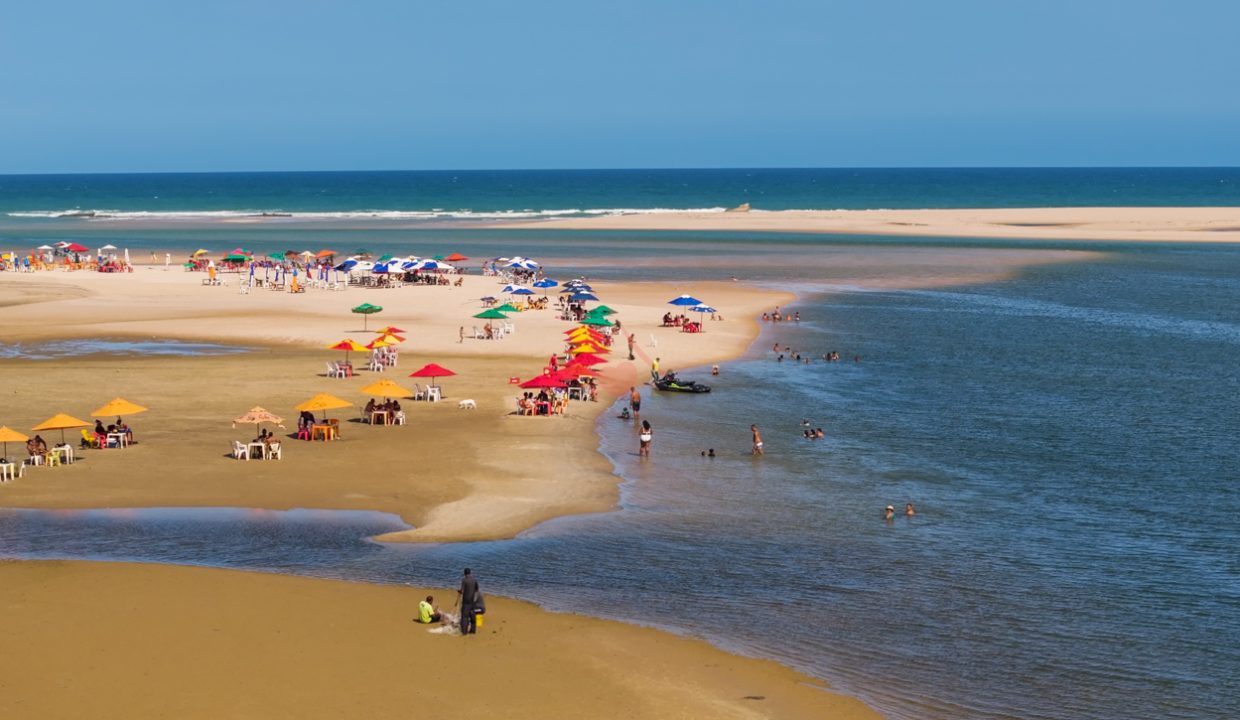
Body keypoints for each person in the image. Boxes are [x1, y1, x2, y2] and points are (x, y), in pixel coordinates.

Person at [457, 568, 480, 635]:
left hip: (466, 601)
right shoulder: (475, 580)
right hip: (473, 600)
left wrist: (459, 591)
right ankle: (473, 630)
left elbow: (462, 591)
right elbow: (477, 589)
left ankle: (464, 631)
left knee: (464, 616)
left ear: (464, 573)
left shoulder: (464, 580)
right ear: (470, 573)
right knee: (472, 615)